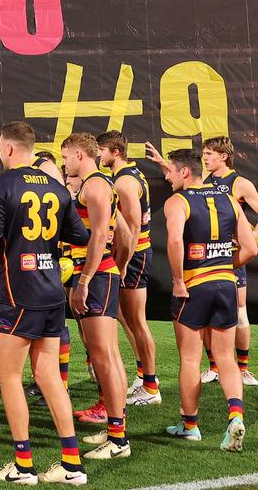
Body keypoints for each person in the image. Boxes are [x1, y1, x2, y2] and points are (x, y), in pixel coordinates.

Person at [0, 121, 91, 485]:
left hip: (19, 294)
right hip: (50, 292)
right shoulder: (60, 190)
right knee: (49, 376)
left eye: (0, 148)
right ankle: (72, 464)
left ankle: (24, 465)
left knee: (11, 377)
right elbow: (80, 235)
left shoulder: (4, 185)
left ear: (11, 148)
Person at [160, 148, 256, 451]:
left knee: (190, 358)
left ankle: (190, 426)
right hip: (226, 283)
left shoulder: (177, 201)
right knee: (226, 357)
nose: (166, 176)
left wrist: (177, 281)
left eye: (171, 171)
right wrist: (225, 266)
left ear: (185, 172)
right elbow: (251, 248)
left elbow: (175, 240)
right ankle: (236, 415)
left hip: (193, 286)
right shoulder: (229, 198)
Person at [62, 132, 134, 460]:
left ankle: (118, 440)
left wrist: (88, 278)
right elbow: (126, 236)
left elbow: (103, 234)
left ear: (79, 154)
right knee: (110, 355)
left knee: (104, 355)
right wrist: (114, 267)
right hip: (104, 274)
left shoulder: (94, 186)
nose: (64, 163)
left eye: (65, 157)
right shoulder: (104, 183)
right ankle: (115, 430)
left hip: (94, 277)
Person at [96, 131, 160, 406]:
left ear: (115, 152)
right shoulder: (133, 173)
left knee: (137, 322)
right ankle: (143, 375)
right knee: (127, 319)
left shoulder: (123, 181)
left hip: (133, 257)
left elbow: (132, 228)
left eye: (101, 150)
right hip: (135, 254)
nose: (99, 155)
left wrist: (121, 264)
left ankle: (151, 386)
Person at [199, 137, 258, 387]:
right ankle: (213, 367)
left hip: (231, 257)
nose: (205, 157)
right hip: (209, 257)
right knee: (205, 315)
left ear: (223, 156)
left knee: (240, 313)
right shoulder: (205, 182)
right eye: (203, 153)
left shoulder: (240, 183)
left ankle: (243, 369)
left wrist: (251, 239)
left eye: (209, 153)